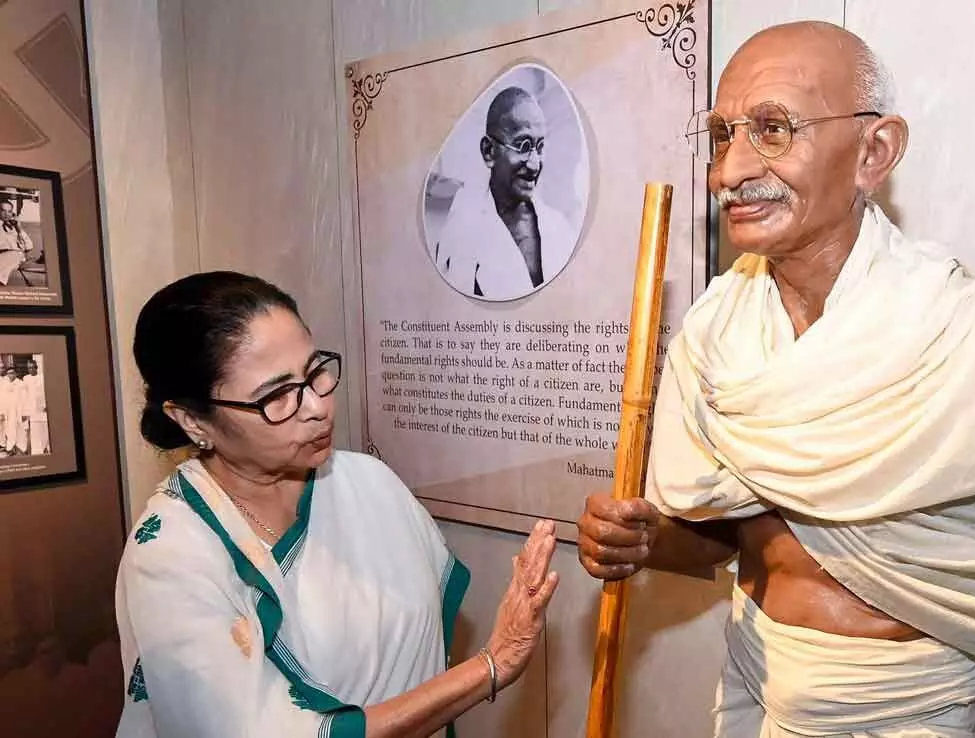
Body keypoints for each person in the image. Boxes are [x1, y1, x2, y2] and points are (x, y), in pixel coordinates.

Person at [577, 21, 975, 738]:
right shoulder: (715, 337)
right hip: (755, 690)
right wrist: (645, 543)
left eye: (772, 128)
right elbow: (731, 537)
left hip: (913, 713)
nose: (729, 172)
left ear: (873, 151)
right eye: (722, 135)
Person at [116, 271, 560, 738]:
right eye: (276, 395)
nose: (316, 406)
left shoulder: (367, 483)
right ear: (191, 420)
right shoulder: (171, 554)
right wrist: (493, 664)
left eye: (314, 372)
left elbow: (417, 649)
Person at [436, 86, 575, 301]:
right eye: (523, 145)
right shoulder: (460, 235)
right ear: (489, 151)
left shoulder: (560, 230)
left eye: (539, 147)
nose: (534, 164)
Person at [0, 198, 35, 286]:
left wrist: (19, 230)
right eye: (3, 211)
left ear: (13, 213)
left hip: (17, 257)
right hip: (3, 255)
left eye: (9, 211)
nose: (6, 214)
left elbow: (29, 246)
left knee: (15, 254)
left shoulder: (15, 228)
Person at [22, 358, 48, 455]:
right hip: (32, 410)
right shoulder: (26, 378)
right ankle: (37, 452)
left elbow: (46, 391)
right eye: (29, 368)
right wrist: (25, 411)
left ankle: (45, 448)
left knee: (45, 430)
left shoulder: (42, 377)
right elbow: (23, 394)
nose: (31, 370)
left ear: (36, 368)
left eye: (32, 368)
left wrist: (46, 404)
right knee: (35, 432)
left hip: (43, 409)